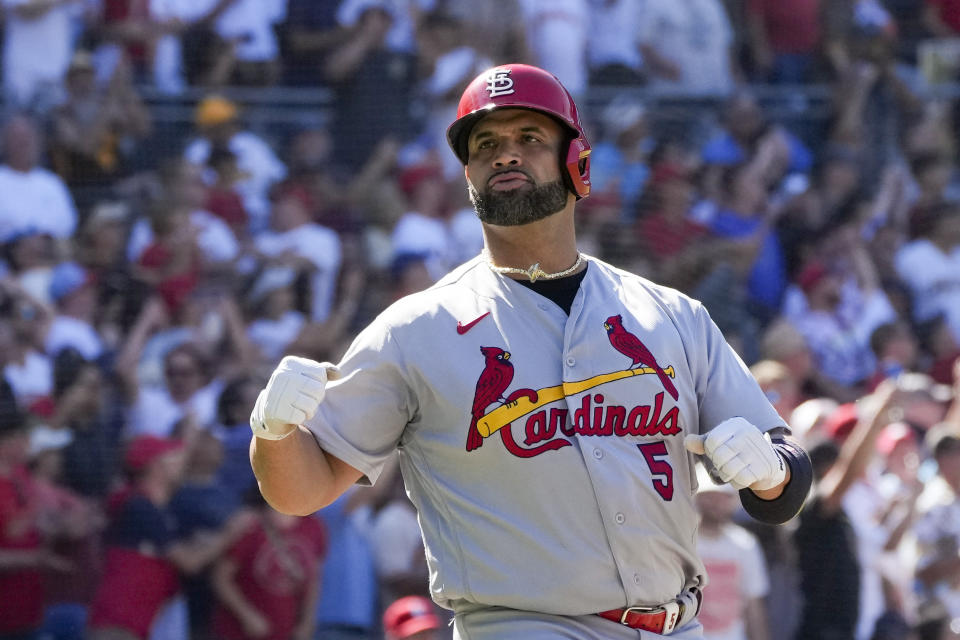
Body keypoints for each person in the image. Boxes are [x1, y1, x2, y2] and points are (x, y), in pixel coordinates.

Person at [249, 64, 812, 639]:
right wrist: (274, 433)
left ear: (578, 163)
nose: (505, 154)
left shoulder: (670, 315)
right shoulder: (415, 329)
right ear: (467, 174)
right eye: (486, 144)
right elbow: (301, 491)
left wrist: (770, 472)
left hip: (679, 625)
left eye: (530, 138)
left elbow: (787, 476)